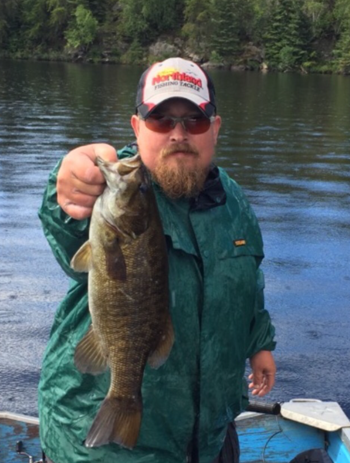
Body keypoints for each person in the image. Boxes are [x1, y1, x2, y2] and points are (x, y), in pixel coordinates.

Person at [38, 57, 276, 463]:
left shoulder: (233, 201)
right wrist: (68, 179)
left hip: (208, 438)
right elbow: (67, 219)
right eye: (161, 120)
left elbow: (247, 281)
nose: (178, 134)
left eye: (194, 121)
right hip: (101, 450)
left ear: (215, 129)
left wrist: (259, 345)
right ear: (137, 128)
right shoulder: (110, 192)